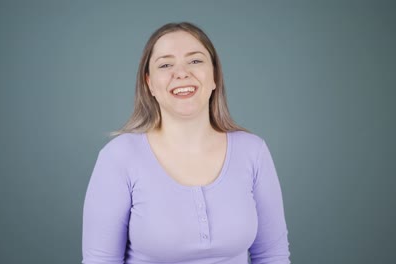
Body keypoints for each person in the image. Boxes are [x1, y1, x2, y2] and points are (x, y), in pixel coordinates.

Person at [82, 22, 291, 264]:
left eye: (195, 61)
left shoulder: (253, 151)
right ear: (149, 84)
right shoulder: (118, 157)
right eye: (166, 64)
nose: (181, 73)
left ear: (214, 76)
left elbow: (272, 256)